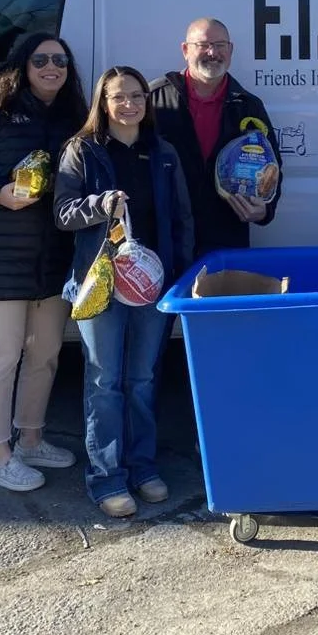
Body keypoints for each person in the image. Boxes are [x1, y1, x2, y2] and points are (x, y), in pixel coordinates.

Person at [0, 33, 88, 492]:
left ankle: (31, 440)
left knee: (45, 354)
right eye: (41, 59)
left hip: (51, 259)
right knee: (2, 356)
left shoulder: (73, 119)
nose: (52, 67)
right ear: (23, 65)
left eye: (60, 61)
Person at [55, 66, 194, 518]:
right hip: (102, 285)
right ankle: (107, 478)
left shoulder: (164, 152)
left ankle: (142, 468)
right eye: (119, 97)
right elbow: (61, 213)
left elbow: (181, 219)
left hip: (152, 283)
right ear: (103, 102)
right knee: (104, 381)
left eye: (137, 96)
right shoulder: (83, 150)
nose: (130, 104)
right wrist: (98, 205)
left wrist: (179, 272)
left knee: (142, 380)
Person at [149, 18, 279, 259]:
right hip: (164, 241)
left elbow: (272, 167)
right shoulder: (153, 100)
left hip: (225, 241)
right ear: (185, 50)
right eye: (204, 45)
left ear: (230, 51)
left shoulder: (249, 106)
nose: (213, 53)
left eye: (220, 45)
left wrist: (263, 210)